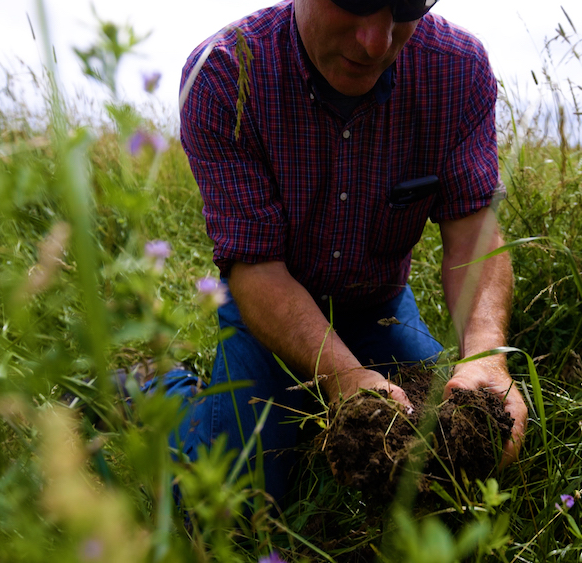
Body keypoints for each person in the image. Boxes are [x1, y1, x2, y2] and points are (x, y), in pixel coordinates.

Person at [164, 0, 528, 506]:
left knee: (455, 449)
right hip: (265, 311)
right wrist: (343, 377)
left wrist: (486, 356)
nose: (377, 42)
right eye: (355, 1)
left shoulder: (456, 67)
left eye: (405, 6)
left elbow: (474, 232)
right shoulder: (224, 75)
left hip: (378, 305)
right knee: (237, 503)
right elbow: (256, 267)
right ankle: (164, 390)